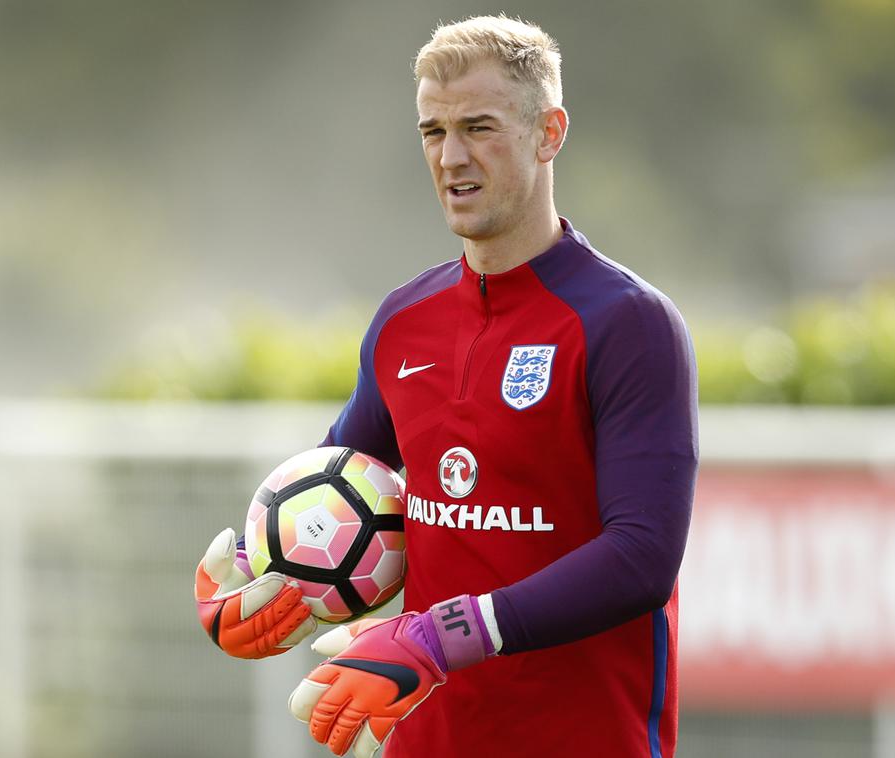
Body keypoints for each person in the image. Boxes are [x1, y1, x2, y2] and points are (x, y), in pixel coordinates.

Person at [194, 15, 697, 758]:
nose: (451, 156)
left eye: (478, 127)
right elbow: (331, 490)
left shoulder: (630, 324)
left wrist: (439, 636)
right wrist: (253, 577)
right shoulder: (405, 321)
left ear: (548, 133)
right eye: (433, 131)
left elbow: (642, 558)